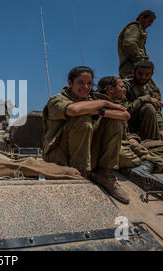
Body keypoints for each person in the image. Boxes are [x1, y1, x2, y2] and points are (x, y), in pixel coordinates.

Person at [42, 66, 130, 204]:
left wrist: (102, 112)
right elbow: (74, 110)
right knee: (82, 119)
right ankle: (79, 173)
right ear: (70, 83)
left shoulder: (92, 100)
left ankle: (104, 173)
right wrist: (105, 103)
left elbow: (125, 114)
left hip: (86, 154)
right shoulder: (56, 100)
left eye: (89, 83)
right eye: (80, 82)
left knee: (115, 121)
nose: (86, 87)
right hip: (60, 155)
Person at [98, 75, 163, 192]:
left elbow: (126, 133)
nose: (124, 89)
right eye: (121, 86)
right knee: (125, 156)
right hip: (109, 148)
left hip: (125, 144)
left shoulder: (119, 104)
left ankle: (144, 166)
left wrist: (134, 143)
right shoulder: (98, 104)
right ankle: (149, 163)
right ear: (110, 89)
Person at [118, 10, 161, 100]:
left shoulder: (140, 30)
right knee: (135, 92)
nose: (150, 24)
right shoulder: (134, 28)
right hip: (131, 67)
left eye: (151, 22)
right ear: (141, 18)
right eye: (149, 21)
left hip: (137, 66)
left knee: (153, 91)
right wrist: (140, 59)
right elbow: (129, 44)